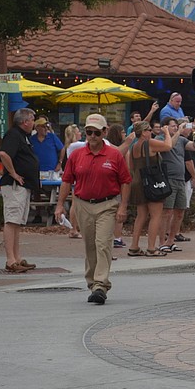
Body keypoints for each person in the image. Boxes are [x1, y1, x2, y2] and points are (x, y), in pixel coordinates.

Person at [54, 114, 131, 305]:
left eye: (97, 132)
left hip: (107, 204)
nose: (92, 136)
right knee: (90, 246)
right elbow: (66, 180)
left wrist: (123, 206)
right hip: (83, 204)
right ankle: (92, 283)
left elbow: (126, 181)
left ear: (104, 132)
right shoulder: (77, 155)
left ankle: (100, 285)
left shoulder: (114, 154)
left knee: (103, 244)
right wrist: (59, 205)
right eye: (89, 132)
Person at [0, 107, 40, 273]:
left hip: (24, 186)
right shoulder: (14, 134)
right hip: (14, 185)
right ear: (24, 121)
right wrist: (14, 173)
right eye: (32, 119)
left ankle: (17, 257)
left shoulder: (24, 137)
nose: (34, 123)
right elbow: (4, 154)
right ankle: (10, 259)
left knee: (17, 222)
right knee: (11, 220)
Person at [127, 121, 174, 257]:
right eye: (148, 130)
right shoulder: (150, 143)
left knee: (141, 215)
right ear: (142, 132)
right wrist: (166, 133)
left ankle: (134, 246)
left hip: (137, 182)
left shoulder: (134, 147)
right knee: (156, 216)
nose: (151, 132)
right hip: (152, 182)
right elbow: (168, 146)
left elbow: (131, 167)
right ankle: (151, 248)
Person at [157, 117, 192, 252]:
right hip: (168, 179)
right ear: (164, 127)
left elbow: (193, 146)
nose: (176, 128)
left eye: (176, 126)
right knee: (167, 212)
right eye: (173, 126)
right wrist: (179, 132)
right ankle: (162, 242)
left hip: (181, 180)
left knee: (180, 211)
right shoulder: (161, 139)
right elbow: (168, 146)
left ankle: (171, 240)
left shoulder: (182, 140)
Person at [62, 124, 83, 239]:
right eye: (78, 132)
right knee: (75, 204)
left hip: (76, 177)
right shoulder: (75, 145)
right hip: (77, 178)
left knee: (76, 203)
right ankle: (73, 229)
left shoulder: (71, 146)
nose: (81, 134)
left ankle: (74, 228)